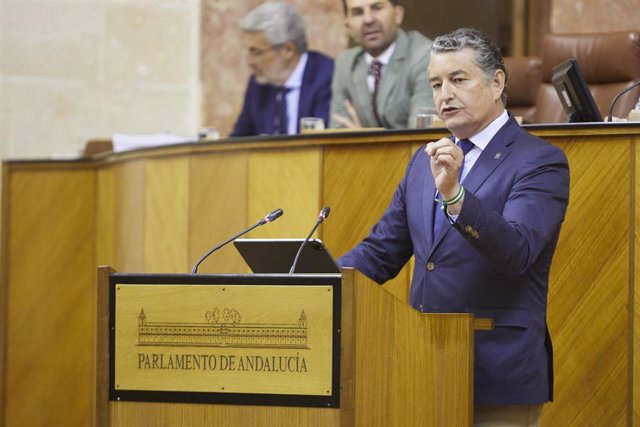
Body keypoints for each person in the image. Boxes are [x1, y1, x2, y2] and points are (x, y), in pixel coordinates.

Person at [338, 28, 570, 426]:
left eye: (458, 79)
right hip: (423, 366)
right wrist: (315, 280)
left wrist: (456, 198)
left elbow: (516, 252)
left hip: (496, 372)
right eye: (436, 83)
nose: (444, 94)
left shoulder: (540, 162)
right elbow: (381, 252)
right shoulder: (423, 163)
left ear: (496, 82)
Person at [231, 2, 334, 137]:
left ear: (288, 50)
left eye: (256, 52)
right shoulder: (258, 84)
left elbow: (324, 144)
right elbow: (239, 140)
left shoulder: (328, 77)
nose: (250, 61)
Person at [330, 0, 434, 129]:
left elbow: (422, 135)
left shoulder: (425, 56)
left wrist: (363, 141)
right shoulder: (346, 63)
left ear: (398, 15)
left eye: (377, 8)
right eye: (358, 13)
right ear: (347, 26)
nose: (368, 20)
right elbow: (339, 135)